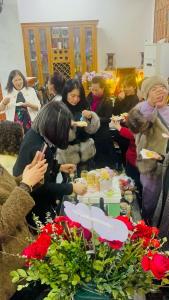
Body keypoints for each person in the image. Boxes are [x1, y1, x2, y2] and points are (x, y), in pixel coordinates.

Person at [13, 101, 87, 223]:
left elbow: (42, 169)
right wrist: (71, 187)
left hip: (30, 195)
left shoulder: (35, 133)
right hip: (35, 205)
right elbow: (41, 187)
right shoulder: (40, 149)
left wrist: (59, 167)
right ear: (55, 128)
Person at [0, 121, 48, 300]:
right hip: (6, 278)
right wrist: (25, 185)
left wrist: (25, 178)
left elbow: (5, 191)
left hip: (19, 261)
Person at [127, 108, 169, 224]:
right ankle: (148, 223)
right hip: (152, 166)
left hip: (158, 173)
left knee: (155, 203)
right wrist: (161, 157)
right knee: (150, 201)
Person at [57, 79, 100, 175]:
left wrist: (90, 117)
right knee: (72, 185)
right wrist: (68, 125)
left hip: (87, 153)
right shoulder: (59, 108)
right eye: (72, 96)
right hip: (68, 156)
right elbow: (56, 135)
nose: (76, 99)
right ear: (66, 94)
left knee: (89, 183)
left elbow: (92, 130)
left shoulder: (84, 104)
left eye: (78, 96)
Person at [110, 117, 142, 207]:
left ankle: (136, 205)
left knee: (136, 184)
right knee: (129, 183)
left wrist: (119, 127)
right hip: (132, 158)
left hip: (140, 161)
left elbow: (136, 135)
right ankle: (128, 202)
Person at [87, 76, 116, 168]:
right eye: (92, 89)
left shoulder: (108, 101)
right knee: (92, 159)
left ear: (103, 88)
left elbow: (108, 118)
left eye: (96, 90)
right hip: (91, 133)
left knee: (102, 162)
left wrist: (94, 117)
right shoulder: (89, 98)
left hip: (102, 134)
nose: (94, 92)